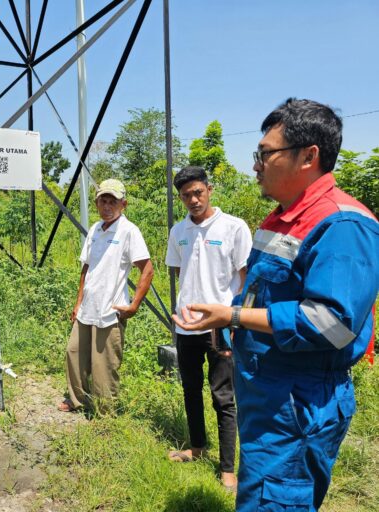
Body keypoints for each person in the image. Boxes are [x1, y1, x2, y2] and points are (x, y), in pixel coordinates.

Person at [173, 98, 379, 511]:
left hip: (297, 403)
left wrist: (232, 315)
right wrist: (232, 326)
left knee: (276, 501)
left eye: (265, 154)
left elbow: (334, 323)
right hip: (267, 397)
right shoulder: (280, 218)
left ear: (309, 156)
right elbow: (259, 290)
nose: (255, 165)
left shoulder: (343, 225)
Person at [165, 166, 252, 492]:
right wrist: (180, 310)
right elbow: (177, 272)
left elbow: (245, 277)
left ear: (209, 189)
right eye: (186, 195)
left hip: (220, 326)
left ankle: (228, 467)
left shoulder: (233, 227)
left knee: (223, 396)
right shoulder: (179, 231)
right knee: (190, 388)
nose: (193, 199)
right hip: (186, 326)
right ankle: (197, 448)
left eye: (198, 192)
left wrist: (238, 318)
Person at [59, 179, 153, 413]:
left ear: (124, 204)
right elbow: (86, 267)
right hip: (87, 308)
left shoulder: (129, 231)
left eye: (113, 201)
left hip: (110, 311)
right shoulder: (94, 229)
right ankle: (77, 399)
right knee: (74, 354)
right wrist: (78, 301)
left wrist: (134, 305)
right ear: (97, 203)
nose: (107, 206)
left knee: (104, 366)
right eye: (103, 200)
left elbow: (147, 269)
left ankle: (105, 413)